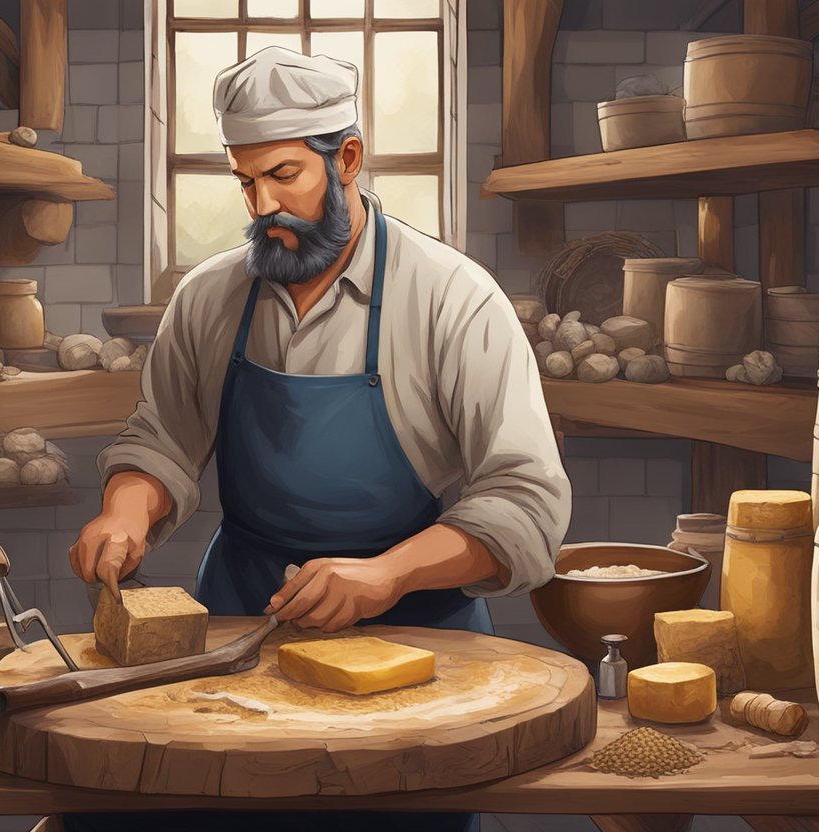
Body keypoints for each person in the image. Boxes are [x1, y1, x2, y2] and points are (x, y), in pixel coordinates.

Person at [66, 46, 571, 832]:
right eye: (245, 180)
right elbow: (162, 436)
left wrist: (388, 575)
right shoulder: (210, 298)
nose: (262, 203)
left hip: (416, 643)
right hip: (240, 627)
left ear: (349, 160)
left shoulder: (452, 299)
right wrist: (127, 512)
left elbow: (527, 501)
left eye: (284, 174)